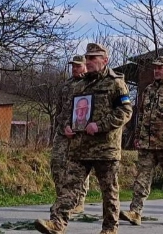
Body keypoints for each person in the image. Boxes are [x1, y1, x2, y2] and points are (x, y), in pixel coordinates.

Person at [35, 43, 133, 234]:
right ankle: (57, 223)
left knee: (109, 190)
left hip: (105, 148)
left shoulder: (116, 83)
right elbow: (67, 112)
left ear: (105, 60)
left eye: (93, 58)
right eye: (87, 58)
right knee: (69, 186)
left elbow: (125, 111)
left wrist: (101, 125)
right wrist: (67, 126)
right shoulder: (79, 85)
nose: (88, 62)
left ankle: (110, 228)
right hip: (80, 147)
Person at [120, 56, 163, 226]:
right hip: (148, 143)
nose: (157, 70)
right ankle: (135, 212)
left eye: (161, 67)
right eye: (155, 68)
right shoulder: (149, 89)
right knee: (141, 179)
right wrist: (137, 136)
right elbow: (142, 115)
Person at [51, 55, 88, 215]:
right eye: (73, 66)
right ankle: (62, 199)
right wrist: (64, 125)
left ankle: (78, 201)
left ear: (86, 66)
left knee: (79, 167)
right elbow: (59, 110)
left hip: (81, 132)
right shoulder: (66, 85)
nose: (74, 68)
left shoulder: (90, 84)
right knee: (57, 164)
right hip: (63, 131)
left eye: (78, 66)